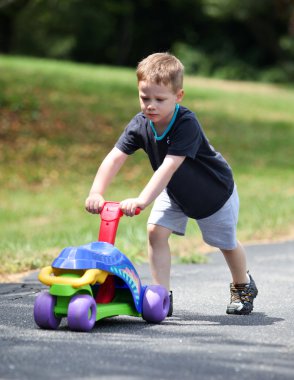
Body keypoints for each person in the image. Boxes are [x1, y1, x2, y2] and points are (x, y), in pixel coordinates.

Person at [85, 52, 258, 316]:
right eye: (145, 98)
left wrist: (142, 200)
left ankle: (242, 285)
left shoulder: (186, 123)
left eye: (159, 99)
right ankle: (160, 294)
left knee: (225, 243)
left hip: (212, 194)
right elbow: (115, 158)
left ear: (178, 97)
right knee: (155, 232)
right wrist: (96, 191)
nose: (150, 105)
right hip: (175, 192)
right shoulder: (140, 124)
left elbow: (169, 167)